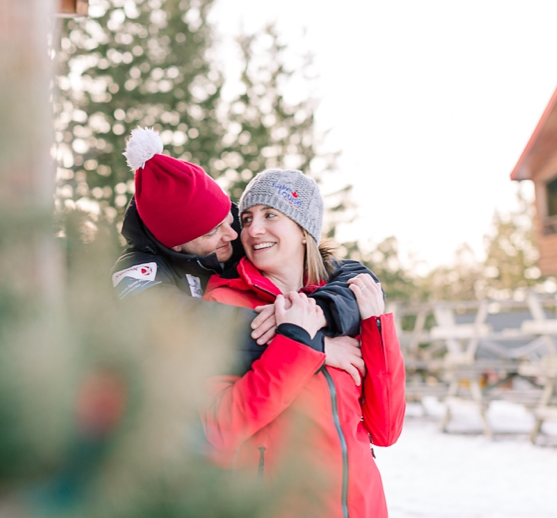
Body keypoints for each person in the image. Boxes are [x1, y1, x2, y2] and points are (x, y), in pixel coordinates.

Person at [202, 169, 406, 518]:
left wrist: (375, 326)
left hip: (362, 506)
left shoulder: (344, 308)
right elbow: (219, 426)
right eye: (247, 218)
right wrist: (299, 344)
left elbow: (385, 430)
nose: (253, 230)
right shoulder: (224, 305)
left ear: (303, 230)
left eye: (271, 215)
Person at [111, 127, 373, 374]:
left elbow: (353, 276)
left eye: (229, 216)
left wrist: (317, 311)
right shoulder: (137, 270)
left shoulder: (245, 230)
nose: (235, 234)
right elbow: (179, 325)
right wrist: (307, 341)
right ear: (176, 245)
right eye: (212, 231)